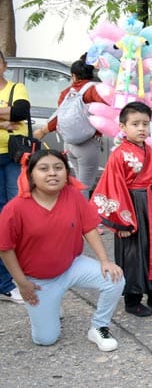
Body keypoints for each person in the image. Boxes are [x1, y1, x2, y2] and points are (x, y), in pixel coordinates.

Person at [0, 149, 124, 351]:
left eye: (58, 168)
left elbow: (89, 227)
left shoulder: (72, 194)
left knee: (115, 278)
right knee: (46, 339)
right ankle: (51, 306)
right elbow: (5, 249)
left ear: (66, 172)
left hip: (71, 266)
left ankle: (99, 327)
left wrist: (105, 261)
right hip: (39, 281)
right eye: (44, 168)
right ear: (31, 174)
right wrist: (22, 283)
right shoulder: (15, 208)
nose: (52, 173)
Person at [91, 101, 152, 317]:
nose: (141, 128)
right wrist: (121, 222)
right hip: (131, 206)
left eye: (145, 124)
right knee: (134, 252)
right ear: (122, 127)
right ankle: (133, 298)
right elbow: (113, 186)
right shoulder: (119, 154)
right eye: (135, 124)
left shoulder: (149, 149)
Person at [34, 57, 106, 199]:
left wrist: (43, 131)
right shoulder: (95, 90)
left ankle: (74, 211)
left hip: (69, 144)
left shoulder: (66, 93)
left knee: (77, 184)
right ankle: (80, 213)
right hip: (88, 145)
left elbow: (58, 117)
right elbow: (106, 110)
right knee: (84, 187)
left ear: (73, 76)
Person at [0, 49, 31, 211]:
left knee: (16, 197)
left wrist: (13, 114)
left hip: (14, 153)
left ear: (5, 66)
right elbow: (14, 113)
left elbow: (21, 112)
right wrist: (4, 122)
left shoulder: (16, 88)